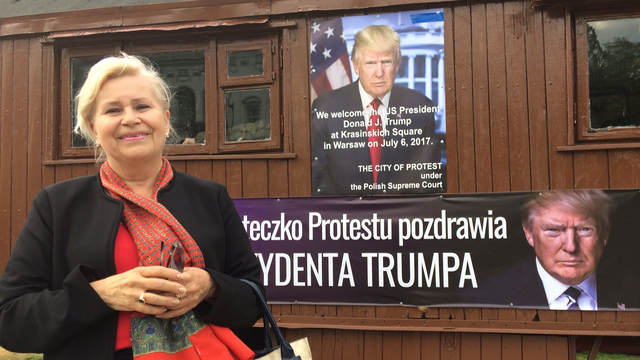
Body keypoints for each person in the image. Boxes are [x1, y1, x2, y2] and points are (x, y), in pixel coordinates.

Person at [0, 54, 262, 359]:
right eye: (113, 110)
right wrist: (103, 294)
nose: (130, 118)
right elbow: (10, 319)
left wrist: (210, 287)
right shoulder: (57, 205)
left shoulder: (210, 197)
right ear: (94, 129)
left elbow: (252, 301)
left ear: (164, 119)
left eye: (142, 106)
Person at [311, 25, 441, 196]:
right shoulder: (326, 107)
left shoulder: (419, 106)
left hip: (401, 218)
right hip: (345, 219)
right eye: (370, 63)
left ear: (397, 64)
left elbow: (428, 179)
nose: (379, 73)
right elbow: (319, 178)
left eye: (386, 62)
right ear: (356, 66)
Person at [464, 189, 630, 310]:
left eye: (584, 229)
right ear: (529, 234)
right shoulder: (484, 296)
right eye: (554, 230)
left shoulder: (632, 291)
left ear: (604, 235)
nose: (571, 246)